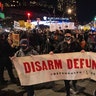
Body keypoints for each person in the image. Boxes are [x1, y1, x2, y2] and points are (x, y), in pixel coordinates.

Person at [49, 29, 81, 96]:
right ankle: (68, 93)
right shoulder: (61, 43)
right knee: (66, 79)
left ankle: (73, 84)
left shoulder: (75, 43)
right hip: (64, 65)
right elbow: (57, 50)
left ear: (71, 36)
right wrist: (53, 52)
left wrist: (82, 51)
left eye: (69, 35)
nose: (67, 36)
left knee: (74, 77)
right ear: (64, 35)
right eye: (66, 35)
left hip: (73, 64)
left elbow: (80, 49)